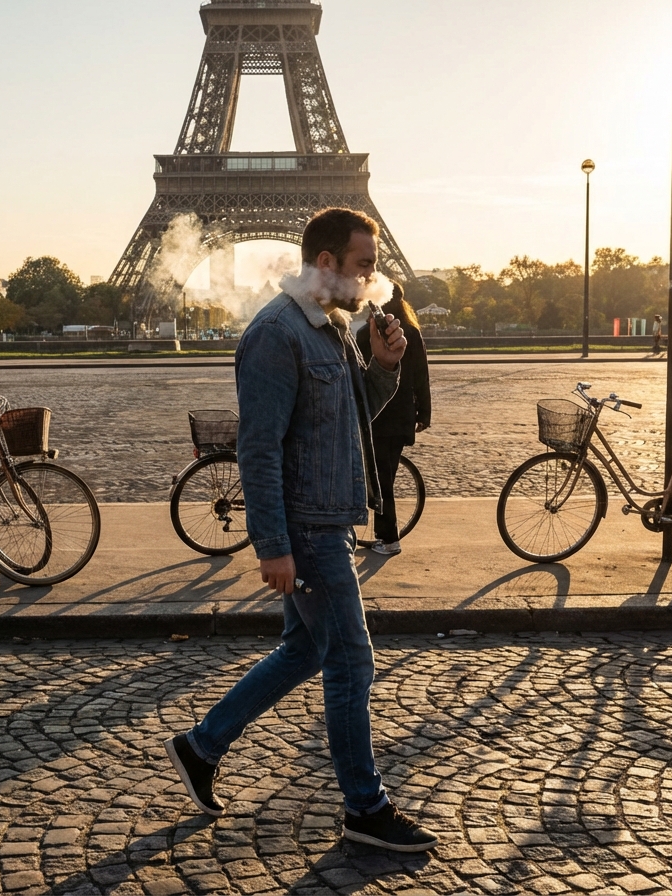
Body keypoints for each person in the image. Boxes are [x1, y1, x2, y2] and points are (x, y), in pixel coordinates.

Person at [164, 207, 439, 853]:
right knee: (351, 660)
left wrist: (383, 368)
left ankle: (201, 747)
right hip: (308, 531)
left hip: (332, 519)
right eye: (364, 265)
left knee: (305, 652)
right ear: (326, 264)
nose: (373, 276)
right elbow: (257, 450)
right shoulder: (276, 334)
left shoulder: (332, 328)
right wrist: (273, 546)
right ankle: (364, 808)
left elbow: (350, 420)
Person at [355, 281, 431, 555]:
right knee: (385, 478)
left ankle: (388, 538)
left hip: (378, 418)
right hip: (402, 418)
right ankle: (384, 535)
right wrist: (424, 412)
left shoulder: (365, 334)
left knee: (381, 480)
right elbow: (422, 376)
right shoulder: (411, 331)